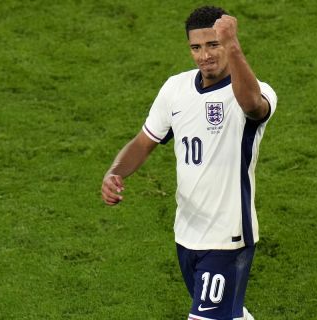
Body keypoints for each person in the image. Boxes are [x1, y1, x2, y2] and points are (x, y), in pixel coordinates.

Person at [101, 5, 277, 320]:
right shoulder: (176, 88)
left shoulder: (257, 91)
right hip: (187, 232)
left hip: (228, 235)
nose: (204, 55)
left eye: (213, 44)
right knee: (229, 315)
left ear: (228, 44)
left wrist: (233, 46)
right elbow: (144, 142)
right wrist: (115, 172)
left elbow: (252, 106)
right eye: (196, 47)